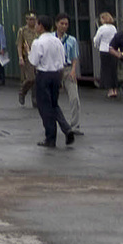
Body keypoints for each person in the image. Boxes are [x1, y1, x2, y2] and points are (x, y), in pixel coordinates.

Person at [28, 15, 75, 147]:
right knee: (54, 104)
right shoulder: (57, 41)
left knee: (45, 107)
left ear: (41, 26)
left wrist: (29, 52)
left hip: (43, 74)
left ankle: (50, 138)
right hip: (56, 74)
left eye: (37, 24)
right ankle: (66, 128)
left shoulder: (38, 42)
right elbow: (62, 60)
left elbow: (34, 61)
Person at [55, 14, 83, 134]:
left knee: (74, 98)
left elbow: (74, 57)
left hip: (67, 69)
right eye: (62, 23)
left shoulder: (71, 40)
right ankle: (52, 125)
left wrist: (73, 70)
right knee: (52, 99)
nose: (64, 26)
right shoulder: (51, 38)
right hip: (54, 70)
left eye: (66, 24)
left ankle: (75, 125)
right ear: (56, 24)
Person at [15, 12, 41, 106]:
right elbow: (19, 45)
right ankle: (22, 91)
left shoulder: (38, 30)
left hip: (38, 57)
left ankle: (35, 99)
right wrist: (20, 57)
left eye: (33, 19)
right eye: (29, 19)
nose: (32, 21)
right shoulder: (22, 31)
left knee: (37, 79)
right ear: (26, 20)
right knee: (31, 78)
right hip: (28, 57)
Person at [93, 12, 120, 98]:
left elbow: (97, 39)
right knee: (113, 70)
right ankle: (115, 89)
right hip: (113, 50)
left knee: (106, 70)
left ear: (103, 19)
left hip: (104, 50)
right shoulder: (113, 28)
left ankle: (110, 90)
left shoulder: (101, 28)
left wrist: (96, 44)